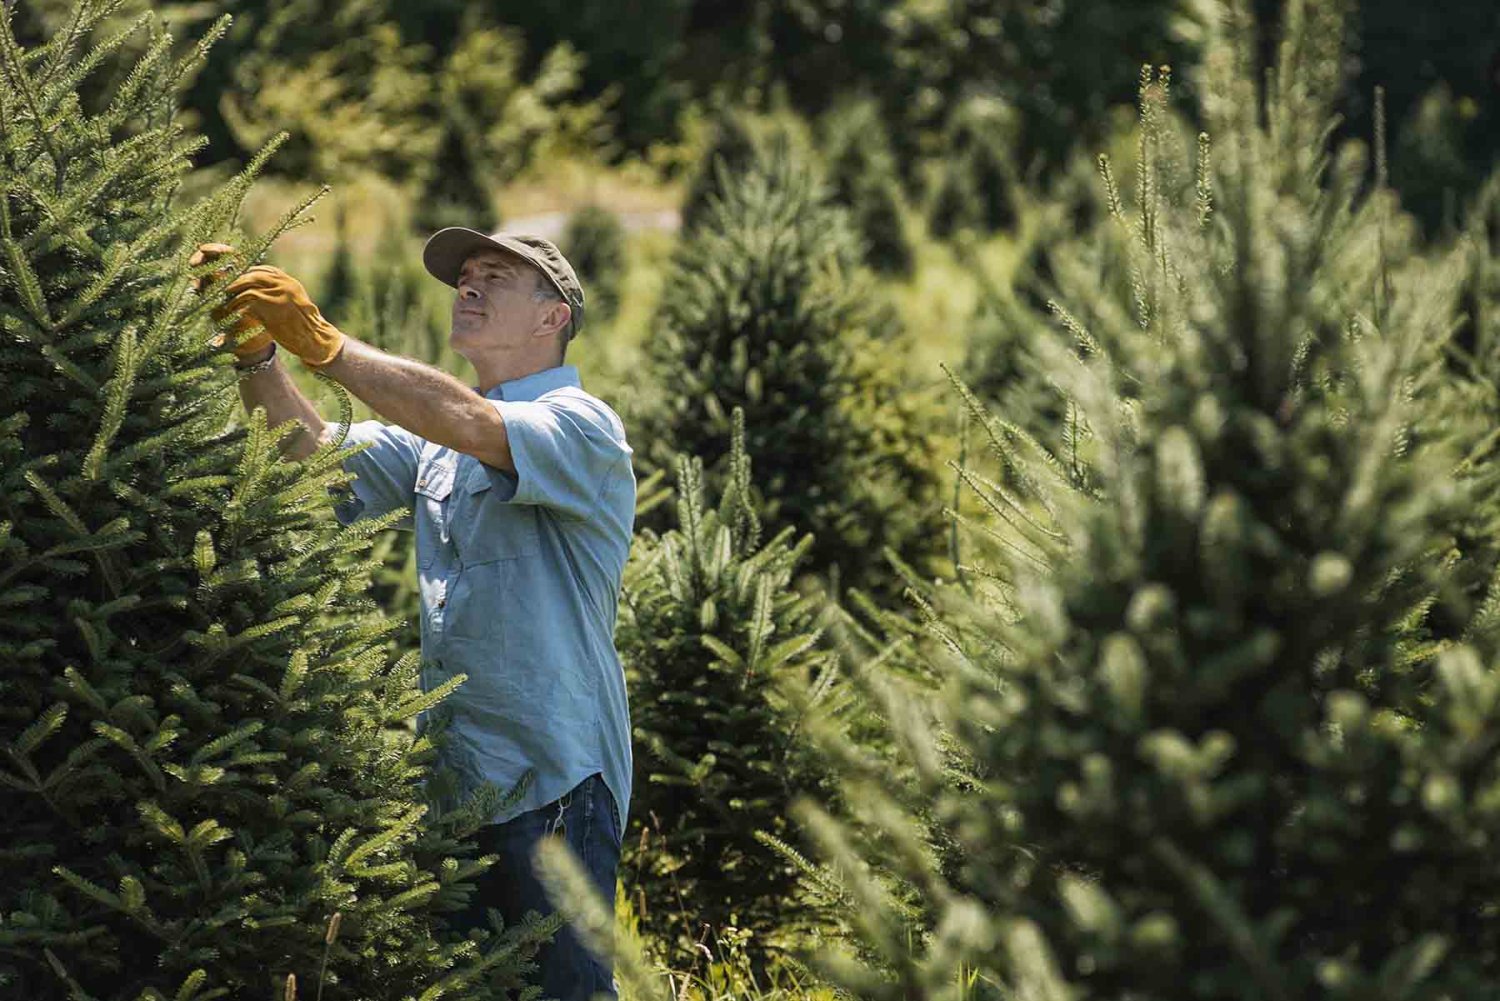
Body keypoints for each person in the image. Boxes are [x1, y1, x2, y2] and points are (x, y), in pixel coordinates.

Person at [191, 227, 635, 1001]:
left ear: (553, 315)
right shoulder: (431, 442)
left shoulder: (581, 423)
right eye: (465, 275)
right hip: (457, 790)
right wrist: (259, 357)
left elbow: (473, 424)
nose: (468, 286)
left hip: (556, 781)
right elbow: (314, 455)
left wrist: (326, 345)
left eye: (495, 276)